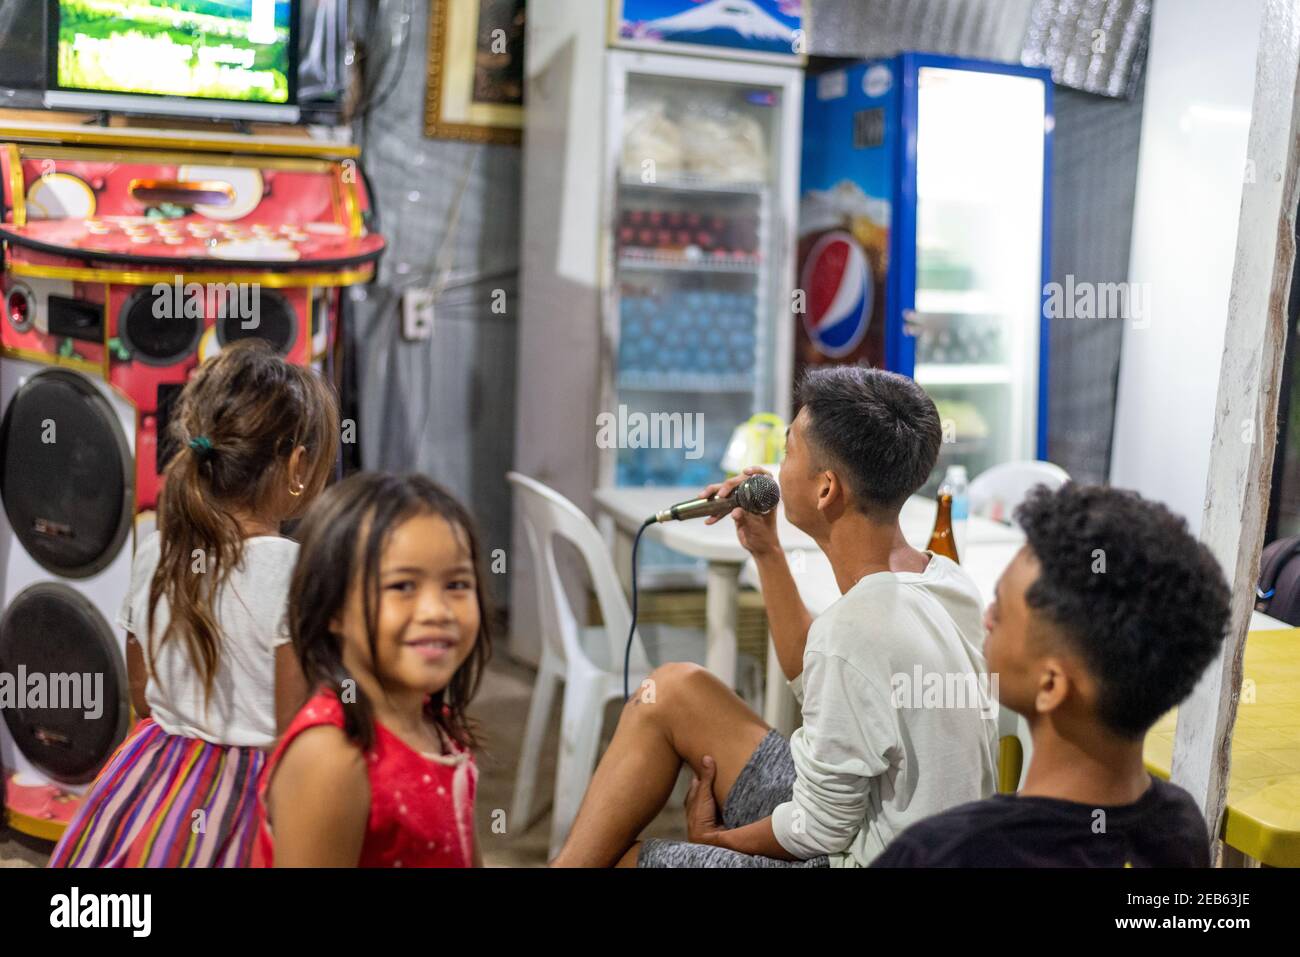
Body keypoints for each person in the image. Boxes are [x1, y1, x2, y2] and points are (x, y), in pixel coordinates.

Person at [553, 366, 998, 868]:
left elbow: (820, 828)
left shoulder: (855, 629)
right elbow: (825, 680)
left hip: (858, 856)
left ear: (826, 490)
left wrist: (716, 840)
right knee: (674, 687)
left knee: (620, 861)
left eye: (788, 451)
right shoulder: (947, 580)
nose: (777, 470)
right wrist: (766, 551)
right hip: (904, 835)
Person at [50, 341, 338, 867]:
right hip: (258, 794)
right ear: (297, 464)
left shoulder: (157, 549)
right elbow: (296, 726)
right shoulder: (293, 572)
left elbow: (142, 694)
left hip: (149, 775)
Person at [873, 483, 1231, 867]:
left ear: (1051, 685)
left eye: (1003, 611)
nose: (988, 617)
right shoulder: (1180, 826)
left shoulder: (943, 853)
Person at [256, 473, 492, 867]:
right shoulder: (332, 758)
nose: (437, 611)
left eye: (457, 584)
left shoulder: (440, 726)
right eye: (402, 586)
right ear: (333, 609)